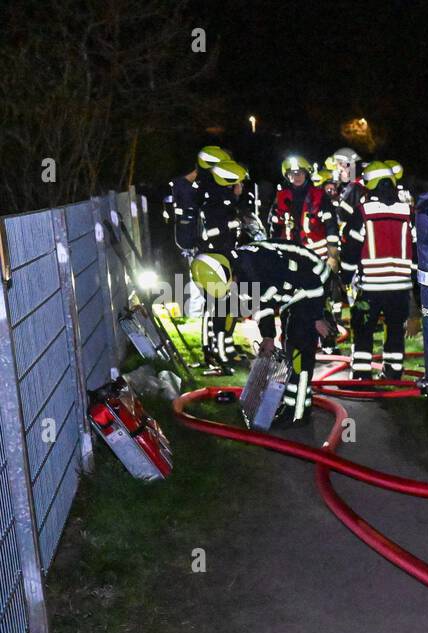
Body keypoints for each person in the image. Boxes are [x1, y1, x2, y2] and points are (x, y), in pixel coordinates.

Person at [189, 240, 337, 426]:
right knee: (290, 345)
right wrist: (268, 336)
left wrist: (317, 317)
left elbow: (310, 280)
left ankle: (298, 415)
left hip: (312, 283)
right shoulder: (236, 270)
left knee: (299, 351)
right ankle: (292, 403)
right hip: (291, 293)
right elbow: (262, 302)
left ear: (229, 271)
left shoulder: (263, 263)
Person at [171, 146, 257, 372]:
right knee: (220, 306)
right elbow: (219, 237)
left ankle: (222, 348)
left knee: (221, 306)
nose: (240, 187)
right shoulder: (212, 200)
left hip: (214, 258)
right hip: (213, 260)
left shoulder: (213, 196)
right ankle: (218, 353)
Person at [339, 160, 415, 381]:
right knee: (394, 330)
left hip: (370, 287)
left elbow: (351, 250)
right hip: (401, 288)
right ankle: (393, 373)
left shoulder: (362, 212)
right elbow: (417, 250)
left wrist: (344, 278)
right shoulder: (408, 212)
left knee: (363, 328)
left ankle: (362, 373)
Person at [269, 155, 339, 262]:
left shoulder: (319, 196)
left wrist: (333, 255)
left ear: (306, 174)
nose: (296, 177)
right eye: (291, 174)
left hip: (317, 255)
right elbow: (275, 228)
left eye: (299, 173)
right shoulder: (281, 198)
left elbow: (331, 225)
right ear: (287, 176)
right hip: (289, 254)